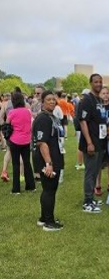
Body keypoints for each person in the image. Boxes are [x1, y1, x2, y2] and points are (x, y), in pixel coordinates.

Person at [32, 91, 65, 231]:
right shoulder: (43, 119)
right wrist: (48, 164)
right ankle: (49, 222)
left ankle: (44, 217)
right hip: (47, 159)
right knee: (49, 190)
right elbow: (42, 143)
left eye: (53, 99)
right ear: (42, 102)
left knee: (49, 189)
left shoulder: (52, 117)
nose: (52, 101)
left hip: (55, 156)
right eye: (48, 99)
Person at [78, 74, 107, 213]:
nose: (99, 84)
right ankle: (87, 202)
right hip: (91, 143)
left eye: (100, 82)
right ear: (91, 83)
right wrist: (89, 142)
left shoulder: (99, 100)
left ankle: (92, 198)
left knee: (95, 172)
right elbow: (83, 122)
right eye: (96, 82)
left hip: (100, 142)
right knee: (90, 172)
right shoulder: (87, 100)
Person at [6, 92, 36, 194]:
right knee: (27, 163)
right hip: (26, 140)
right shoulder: (28, 111)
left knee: (16, 164)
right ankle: (31, 186)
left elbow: (7, 124)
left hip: (15, 140)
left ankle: (16, 189)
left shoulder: (11, 112)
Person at [95, 87, 109, 196]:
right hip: (99, 138)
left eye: (107, 93)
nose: (105, 95)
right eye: (103, 93)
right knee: (98, 163)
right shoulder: (97, 107)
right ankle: (97, 185)